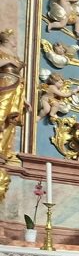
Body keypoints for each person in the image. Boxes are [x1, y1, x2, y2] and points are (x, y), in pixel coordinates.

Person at [0, 29, 28, 161]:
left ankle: (2, 150)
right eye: (13, 38)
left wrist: (24, 98)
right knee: (1, 114)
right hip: (4, 83)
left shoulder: (15, 55)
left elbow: (19, 76)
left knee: (12, 120)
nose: (15, 41)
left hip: (16, 87)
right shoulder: (1, 50)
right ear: (7, 40)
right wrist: (9, 62)